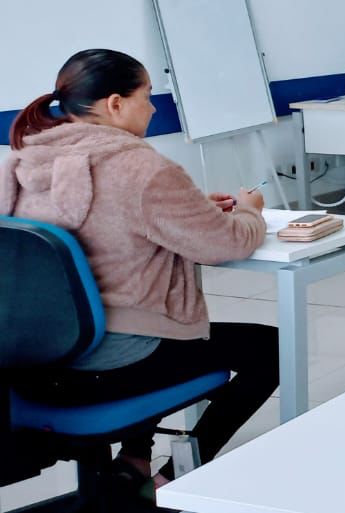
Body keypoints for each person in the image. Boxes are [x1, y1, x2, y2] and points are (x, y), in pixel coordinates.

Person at [0, 49, 278, 499]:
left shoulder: (21, 164)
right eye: (146, 96)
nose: (152, 108)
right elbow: (226, 244)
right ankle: (171, 481)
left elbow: (105, 226)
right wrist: (250, 212)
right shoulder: (140, 167)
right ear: (115, 104)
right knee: (270, 349)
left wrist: (191, 209)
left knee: (143, 314)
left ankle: (133, 461)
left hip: (31, 363)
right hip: (109, 365)